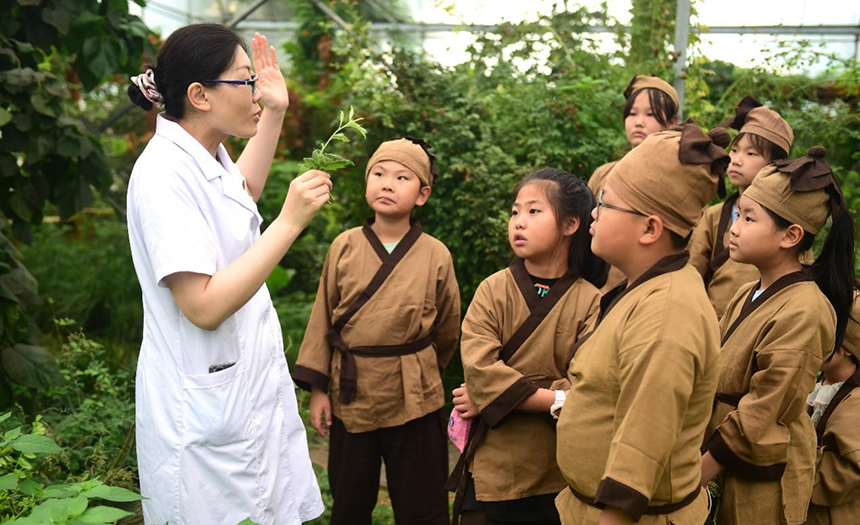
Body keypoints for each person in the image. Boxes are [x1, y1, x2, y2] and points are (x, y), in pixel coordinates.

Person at [126, 24, 329, 524]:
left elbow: (241, 195)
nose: (257, 92)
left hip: (239, 397)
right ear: (200, 95)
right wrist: (289, 223)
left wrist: (275, 113)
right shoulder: (162, 176)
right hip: (202, 417)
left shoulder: (203, 156)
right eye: (246, 81)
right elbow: (204, 306)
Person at [555, 121, 729, 525]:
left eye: (607, 203)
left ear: (650, 228)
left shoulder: (667, 314)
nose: (594, 213)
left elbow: (642, 444)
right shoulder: (645, 287)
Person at [292, 137, 460, 525]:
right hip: (354, 394)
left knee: (423, 504)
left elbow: (448, 329)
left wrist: (420, 365)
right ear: (367, 183)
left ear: (422, 194)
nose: (387, 183)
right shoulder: (344, 246)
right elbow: (323, 316)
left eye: (402, 177)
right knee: (350, 503)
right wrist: (320, 389)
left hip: (415, 393)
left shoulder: (436, 253)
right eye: (379, 174)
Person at [700, 147, 856, 525]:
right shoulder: (746, 292)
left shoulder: (805, 309)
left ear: (790, 235)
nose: (734, 227)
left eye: (749, 218)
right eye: (737, 214)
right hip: (719, 454)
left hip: (761, 482)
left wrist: (692, 477)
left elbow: (762, 410)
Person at [448, 168, 605, 525]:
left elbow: (589, 387)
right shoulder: (493, 289)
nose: (518, 222)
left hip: (558, 470)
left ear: (570, 225)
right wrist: (553, 396)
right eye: (515, 211)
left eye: (534, 211)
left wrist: (493, 398)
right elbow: (480, 370)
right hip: (494, 469)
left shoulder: (592, 301)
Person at [688, 96, 792, 319]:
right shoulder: (713, 216)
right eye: (734, 150)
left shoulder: (787, 222)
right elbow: (692, 274)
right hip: (710, 326)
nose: (736, 160)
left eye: (751, 153)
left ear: (775, 164)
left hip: (763, 326)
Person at [587, 75, 680, 292]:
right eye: (632, 113)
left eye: (650, 114)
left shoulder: (678, 178)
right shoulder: (603, 173)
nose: (638, 122)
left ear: (673, 122)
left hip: (652, 290)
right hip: (597, 291)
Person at [805, 289, 860, 524]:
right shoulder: (818, 381)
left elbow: (847, 470)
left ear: (848, 346)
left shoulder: (856, 401)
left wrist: (788, 468)